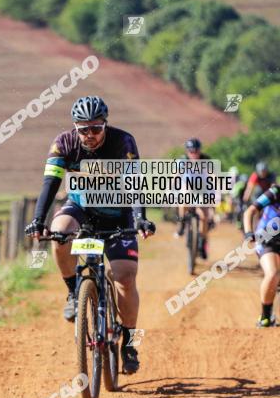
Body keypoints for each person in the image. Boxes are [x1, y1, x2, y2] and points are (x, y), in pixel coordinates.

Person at [25, 95, 155, 374]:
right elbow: (50, 183)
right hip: (81, 208)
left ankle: (129, 343)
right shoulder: (63, 143)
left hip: (119, 213)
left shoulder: (123, 142)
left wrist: (140, 218)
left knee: (125, 278)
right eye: (83, 129)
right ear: (75, 127)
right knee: (59, 233)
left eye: (96, 128)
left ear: (105, 125)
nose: (90, 135)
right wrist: (38, 220)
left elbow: (136, 185)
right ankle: (74, 292)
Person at [243, 183, 280, 327]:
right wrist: (248, 232)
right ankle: (265, 317)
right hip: (266, 238)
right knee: (272, 273)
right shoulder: (275, 192)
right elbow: (250, 211)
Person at [173, 138, 214, 259]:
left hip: (202, 188)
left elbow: (212, 174)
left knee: (204, 216)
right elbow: (176, 175)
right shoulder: (182, 160)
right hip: (188, 186)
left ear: (199, 151)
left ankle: (202, 242)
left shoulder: (206, 159)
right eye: (191, 151)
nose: (194, 154)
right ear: (187, 151)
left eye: (196, 151)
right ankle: (181, 223)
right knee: (184, 197)